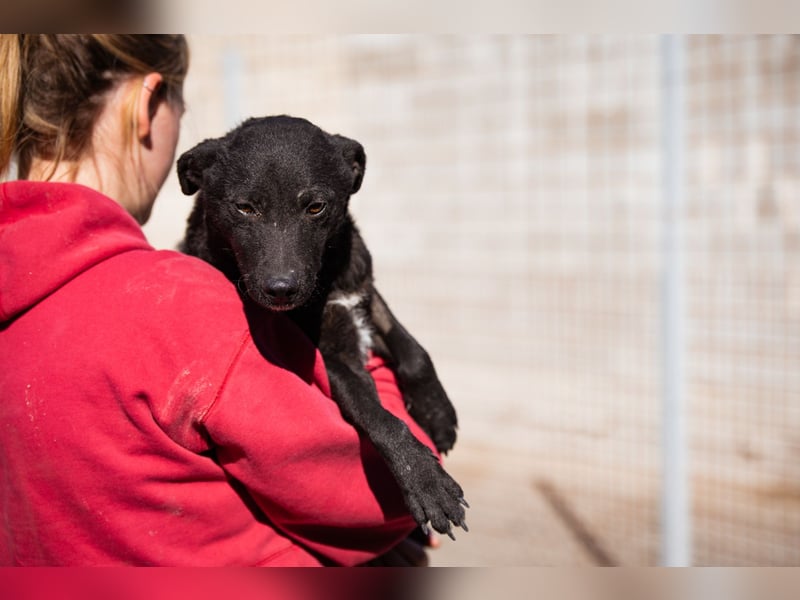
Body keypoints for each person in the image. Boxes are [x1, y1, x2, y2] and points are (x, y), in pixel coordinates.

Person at [0, 34, 438, 566]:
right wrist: (376, 359)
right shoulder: (189, 310)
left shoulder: (23, 296)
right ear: (148, 104)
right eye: (181, 108)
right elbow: (384, 500)